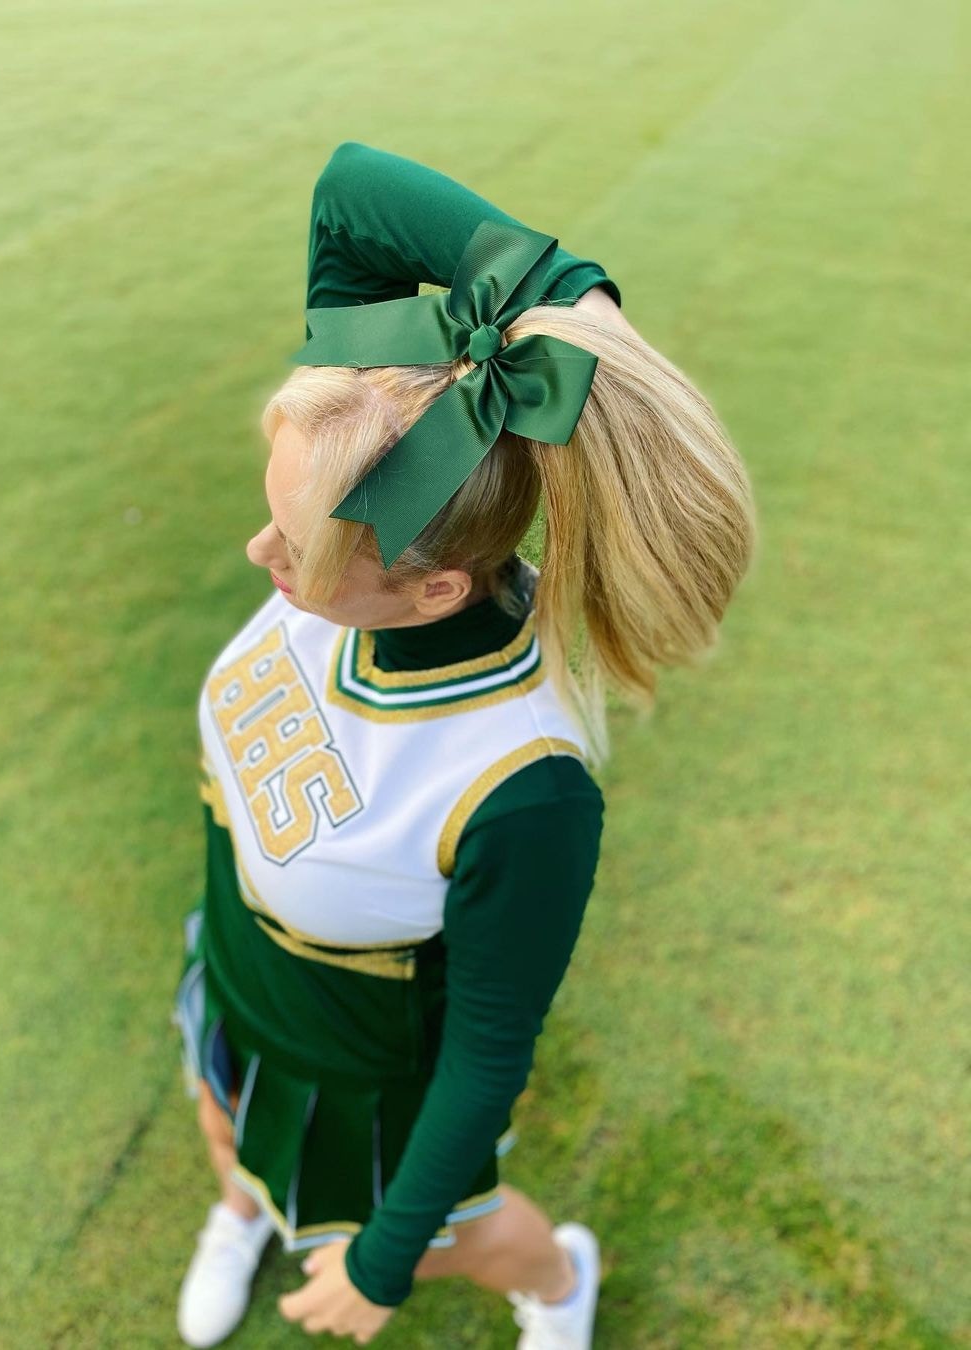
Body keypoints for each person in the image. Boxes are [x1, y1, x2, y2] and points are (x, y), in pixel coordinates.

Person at [172, 140, 756, 1349]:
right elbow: (351, 188)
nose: (258, 556)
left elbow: (489, 1052)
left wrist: (387, 1263)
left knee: (466, 1239)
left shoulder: (523, 786)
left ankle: (559, 1280)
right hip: (237, 970)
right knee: (222, 1122)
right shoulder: (380, 504)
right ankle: (244, 1203)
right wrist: (568, 307)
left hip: (363, 1062)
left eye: (295, 548)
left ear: (434, 591)